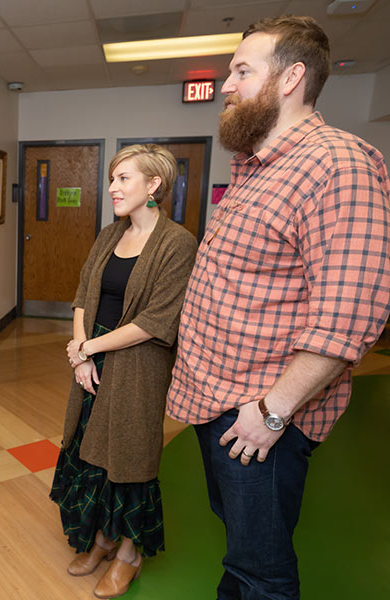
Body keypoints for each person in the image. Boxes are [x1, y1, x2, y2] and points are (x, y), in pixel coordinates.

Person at [167, 16, 390, 600]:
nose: (224, 85)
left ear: (291, 77)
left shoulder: (337, 164)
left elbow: (349, 318)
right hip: (221, 404)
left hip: (261, 415)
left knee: (263, 573)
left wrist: (270, 413)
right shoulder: (253, 167)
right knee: (243, 550)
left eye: (241, 71)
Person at [50, 144, 197, 599]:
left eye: (123, 179)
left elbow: (155, 322)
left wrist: (87, 347)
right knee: (90, 449)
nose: (112, 188)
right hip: (92, 358)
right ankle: (102, 540)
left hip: (138, 367)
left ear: (153, 186)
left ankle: (129, 555)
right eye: (112, 179)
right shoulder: (109, 235)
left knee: (131, 458)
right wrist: (80, 355)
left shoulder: (178, 244)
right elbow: (81, 294)